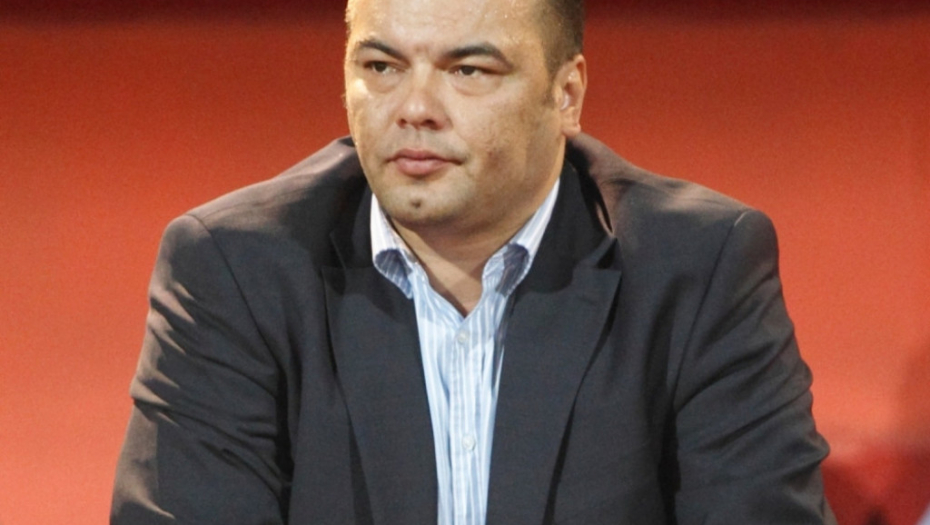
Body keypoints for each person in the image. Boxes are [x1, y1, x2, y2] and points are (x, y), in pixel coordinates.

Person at [111, 0, 836, 523]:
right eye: (381, 65)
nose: (414, 107)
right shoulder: (235, 268)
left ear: (567, 94)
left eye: (468, 69)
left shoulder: (697, 268)